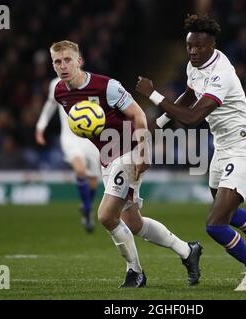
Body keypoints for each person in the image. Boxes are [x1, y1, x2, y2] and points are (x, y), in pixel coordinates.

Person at [136, 14, 246, 291]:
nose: (192, 52)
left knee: (215, 225)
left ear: (212, 45)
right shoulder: (194, 66)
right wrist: (158, 124)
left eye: (198, 47)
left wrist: (153, 95)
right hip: (222, 147)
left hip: (243, 147)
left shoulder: (221, 74)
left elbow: (191, 118)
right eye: (189, 46)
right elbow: (188, 96)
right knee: (230, 215)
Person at [49, 40, 202, 288]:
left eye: (68, 60)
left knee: (106, 216)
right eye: (58, 61)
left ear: (79, 61)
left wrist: (142, 151)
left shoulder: (107, 86)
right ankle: (188, 251)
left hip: (129, 150)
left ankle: (135, 273)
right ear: (53, 65)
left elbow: (138, 114)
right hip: (107, 157)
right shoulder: (60, 92)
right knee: (133, 222)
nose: (63, 65)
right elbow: (86, 126)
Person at [36, 77, 101, 233]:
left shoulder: (92, 83)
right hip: (70, 137)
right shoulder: (55, 84)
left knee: (93, 181)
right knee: (80, 170)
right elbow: (50, 105)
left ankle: (87, 209)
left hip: (90, 138)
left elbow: (99, 109)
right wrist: (40, 126)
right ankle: (86, 208)